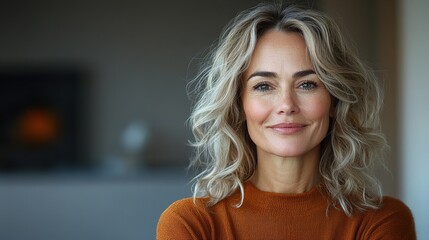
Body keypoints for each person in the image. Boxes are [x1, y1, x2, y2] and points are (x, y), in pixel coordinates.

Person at [157, 3, 416, 239]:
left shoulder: (382, 222)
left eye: (306, 84)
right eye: (263, 86)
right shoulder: (191, 224)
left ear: (334, 101)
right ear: (239, 103)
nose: (286, 105)